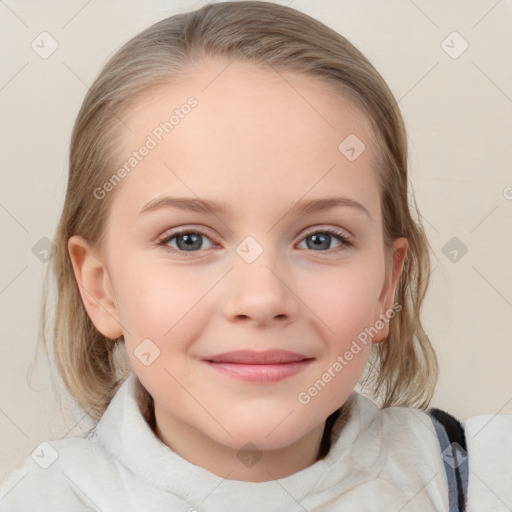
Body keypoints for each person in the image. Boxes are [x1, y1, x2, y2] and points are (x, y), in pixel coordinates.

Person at [1, 2, 510, 510]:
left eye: (321, 239)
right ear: (101, 287)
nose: (262, 298)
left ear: (385, 287)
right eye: (189, 240)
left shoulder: (485, 477)